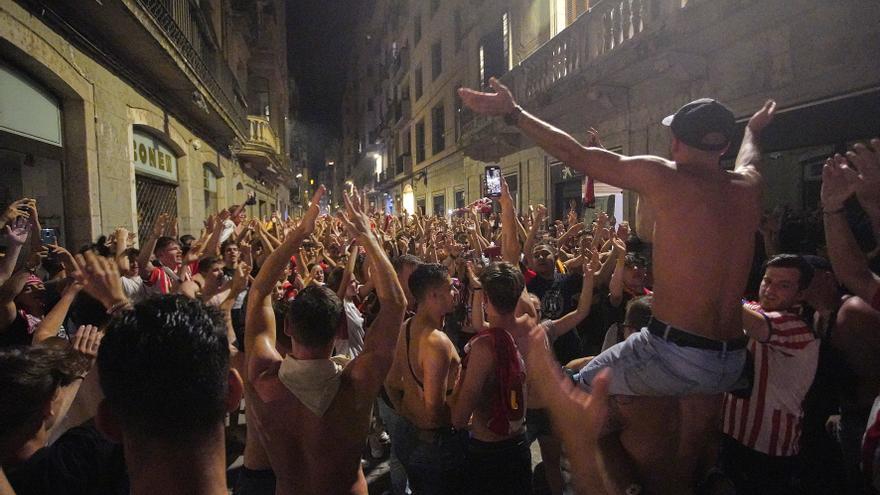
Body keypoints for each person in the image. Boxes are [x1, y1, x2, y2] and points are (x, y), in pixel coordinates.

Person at [460, 78, 777, 492]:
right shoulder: (747, 186)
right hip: (730, 360)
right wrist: (753, 129)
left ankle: (628, 488)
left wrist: (514, 111)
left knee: (577, 391)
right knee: (692, 439)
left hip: (674, 350)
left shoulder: (666, 175)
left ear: (676, 142)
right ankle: (702, 477)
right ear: (722, 147)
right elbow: (751, 158)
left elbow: (576, 154)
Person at [244, 186, 407, 494]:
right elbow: (395, 303)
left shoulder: (263, 376)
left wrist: (299, 234)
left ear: (288, 326)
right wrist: (366, 235)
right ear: (337, 331)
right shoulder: (357, 382)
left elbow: (259, 292)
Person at [720, 254, 819, 494]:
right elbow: (746, 308)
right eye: (767, 281)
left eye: (783, 285)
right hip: (732, 433)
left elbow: (758, 324)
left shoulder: (797, 327)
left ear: (801, 294)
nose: (770, 290)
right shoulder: (755, 309)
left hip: (769, 447)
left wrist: (715, 284)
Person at [451, 261, 534, 495]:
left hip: (489, 451)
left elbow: (459, 418)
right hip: (519, 443)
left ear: (486, 299)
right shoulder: (529, 327)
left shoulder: (484, 347)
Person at [385, 263, 463, 494]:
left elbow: (390, 382)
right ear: (433, 295)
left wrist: (405, 413)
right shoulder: (436, 343)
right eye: (450, 288)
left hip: (408, 432)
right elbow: (433, 410)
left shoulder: (407, 326)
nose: (455, 293)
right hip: (434, 444)